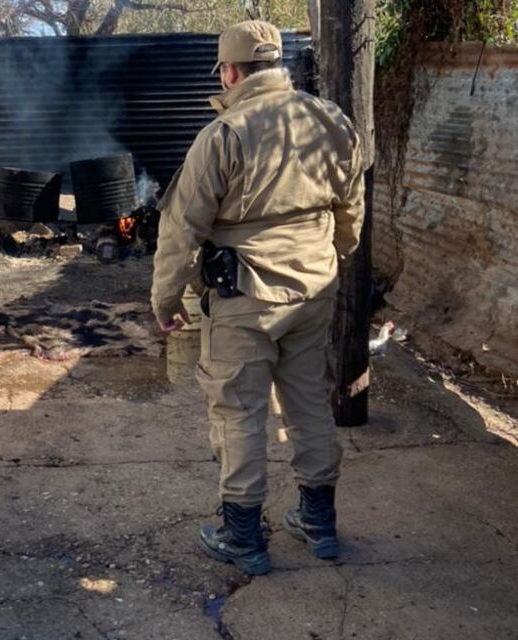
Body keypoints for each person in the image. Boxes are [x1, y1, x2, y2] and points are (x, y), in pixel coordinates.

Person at [150, 20, 365, 576]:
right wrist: (331, 258)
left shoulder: (224, 134)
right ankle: (318, 523)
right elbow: (351, 208)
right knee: (310, 405)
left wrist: (165, 299)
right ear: (280, 66)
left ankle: (242, 537)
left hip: (244, 298)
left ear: (231, 71)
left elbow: (181, 229)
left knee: (239, 414)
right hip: (314, 293)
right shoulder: (332, 120)